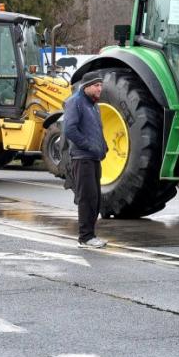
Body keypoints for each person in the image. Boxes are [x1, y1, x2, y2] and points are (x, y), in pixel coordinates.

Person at [63, 72, 108, 248]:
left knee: (95, 199)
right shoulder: (76, 102)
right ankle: (85, 237)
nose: (100, 88)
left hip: (94, 158)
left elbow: (97, 128)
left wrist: (103, 146)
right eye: (96, 85)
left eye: (101, 85)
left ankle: (91, 235)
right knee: (86, 198)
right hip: (82, 159)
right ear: (87, 86)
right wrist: (89, 145)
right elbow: (70, 130)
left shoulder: (93, 105)